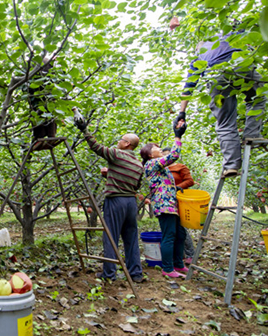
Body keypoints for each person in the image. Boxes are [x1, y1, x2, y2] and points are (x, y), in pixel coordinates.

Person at [175, 30, 266, 178]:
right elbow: (246, 27)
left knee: (225, 121)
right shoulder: (225, 37)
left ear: (198, 49)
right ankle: (252, 134)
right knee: (258, 96)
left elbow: (188, 88)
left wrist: (182, 113)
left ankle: (231, 166)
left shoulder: (198, 59)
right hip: (240, 65)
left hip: (215, 76)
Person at [73, 110, 144, 283]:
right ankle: (135, 273)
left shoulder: (117, 154)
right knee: (131, 237)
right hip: (131, 202)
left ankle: (109, 273)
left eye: (121, 139)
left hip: (116, 201)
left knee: (110, 235)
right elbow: (135, 186)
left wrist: (84, 129)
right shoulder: (138, 164)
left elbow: (96, 147)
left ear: (127, 144)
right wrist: (111, 175)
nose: (118, 142)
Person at [140, 120, 188, 278]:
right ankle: (167, 268)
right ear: (149, 154)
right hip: (164, 205)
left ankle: (178, 264)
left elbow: (163, 184)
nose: (160, 149)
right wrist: (177, 136)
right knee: (169, 235)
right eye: (156, 148)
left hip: (171, 204)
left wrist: (175, 188)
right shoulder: (151, 164)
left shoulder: (159, 167)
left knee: (180, 234)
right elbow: (174, 155)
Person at [162, 147, 196, 263]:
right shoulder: (160, 168)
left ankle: (189, 254)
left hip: (179, 200)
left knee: (181, 229)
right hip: (165, 201)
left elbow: (190, 181)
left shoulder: (180, 167)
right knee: (170, 230)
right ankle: (176, 256)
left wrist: (178, 187)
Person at [28, 52, 58, 150]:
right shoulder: (42, 64)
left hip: (41, 96)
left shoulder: (37, 65)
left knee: (41, 115)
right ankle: (47, 136)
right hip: (43, 95)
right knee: (48, 114)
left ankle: (40, 137)